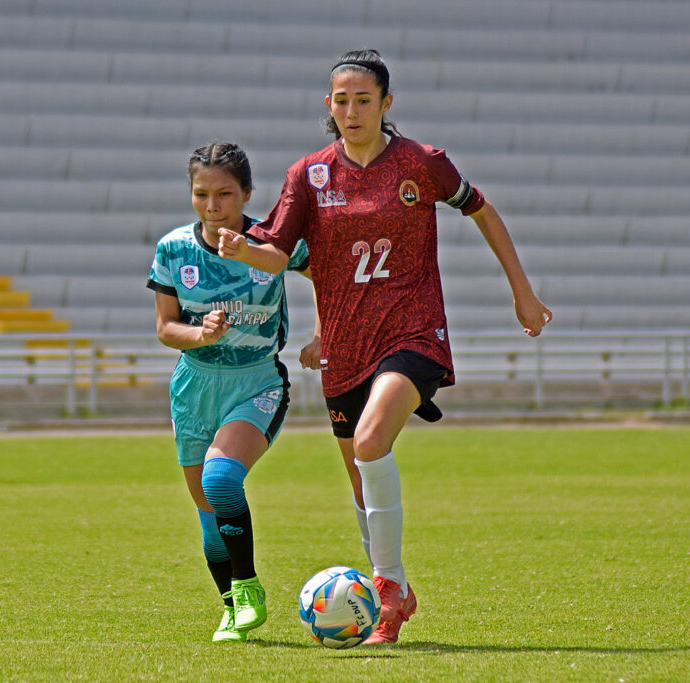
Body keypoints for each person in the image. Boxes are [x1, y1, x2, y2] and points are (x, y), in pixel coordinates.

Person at [218, 49, 552, 645]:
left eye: (363, 100)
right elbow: (275, 251)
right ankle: (388, 609)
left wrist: (522, 294)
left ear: (386, 105)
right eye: (341, 101)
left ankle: (387, 581)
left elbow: (482, 209)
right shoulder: (309, 175)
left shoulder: (422, 163)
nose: (351, 110)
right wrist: (243, 250)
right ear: (328, 106)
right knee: (357, 476)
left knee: (371, 442)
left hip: (413, 332)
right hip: (346, 345)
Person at [146, 142, 311, 643]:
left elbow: (321, 270)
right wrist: (202, 334)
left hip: (256, 381)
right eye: (201, 194)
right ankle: (230, 609)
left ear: (246, 194)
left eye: (224, 194)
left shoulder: (271, 242)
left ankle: (248, 588)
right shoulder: (174, 249)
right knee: (208, 513)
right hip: (194, 385)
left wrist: (324, 333)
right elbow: (165, 327)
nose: (213, 206)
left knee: (221, 481)